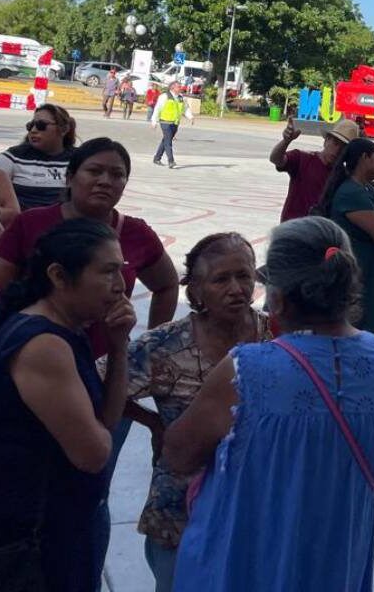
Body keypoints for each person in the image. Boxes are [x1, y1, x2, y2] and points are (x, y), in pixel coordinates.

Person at [162, 217, 374, 592]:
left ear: (277, 294)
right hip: (335, 560)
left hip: (245, 561)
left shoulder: (248, 369)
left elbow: (178, 456)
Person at [0, 219, 137, 592]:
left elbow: (106, 422)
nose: (121, 285)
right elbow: (94, 454)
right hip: (36, 537)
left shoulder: (66, 332)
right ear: (60, 276)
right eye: (108, 271)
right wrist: (98, 436)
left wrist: (118, 346)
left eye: (121, 271)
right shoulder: (44, 345)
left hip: (57, 525)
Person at [123, 233, 270, 591]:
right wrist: (153, 422)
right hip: (181, 512)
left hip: (257, 504)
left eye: (244, 276)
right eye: (221, 279)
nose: (237, 288)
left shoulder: (275, 335)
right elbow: (101, 383)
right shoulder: (163, 344)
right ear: (196, 291)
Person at [0, 136, 179, 359]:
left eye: (117, 175)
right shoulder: (30, 224)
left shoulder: (137, 233)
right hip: (34, 355)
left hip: (106, 363)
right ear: (69, 178)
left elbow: (167, 285)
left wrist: (151, 347)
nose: (105, 181)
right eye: (94, 171)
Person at [322, 138, 374, 336]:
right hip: (361, 275)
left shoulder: (368, 189)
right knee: (363, 328)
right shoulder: (351, 193)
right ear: (364, 158)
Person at [270, 116, 360, 221]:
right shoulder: (302, 158)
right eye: (335, 143)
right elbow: (276, 159)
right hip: (292, 229)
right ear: (326, 140)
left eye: (344, 148)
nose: (337, 150)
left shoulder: (345, 176)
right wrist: (286, 141)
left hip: (321, 232)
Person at [0, 103, 77, 210]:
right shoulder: (14, 157)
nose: (33, 130)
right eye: (30, 126)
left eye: (41, 125)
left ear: (64, 129)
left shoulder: (79, 159)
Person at [151, 81, 192, 169]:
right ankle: (171, 161)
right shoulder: (164, 96)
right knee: (168, 142)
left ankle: (157, 158)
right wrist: (154, 121)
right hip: (165, 122)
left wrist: (190, 117)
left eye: (180, 86)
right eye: (178, 87)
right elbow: (157, 109)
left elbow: (186, 109)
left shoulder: (181, 98)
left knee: (165, 140)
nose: (180, 88)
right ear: (172, 88)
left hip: (175, 123)